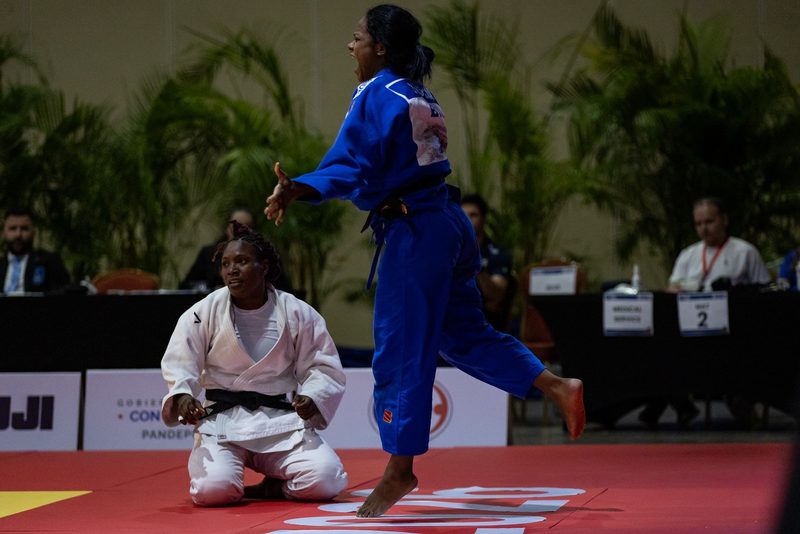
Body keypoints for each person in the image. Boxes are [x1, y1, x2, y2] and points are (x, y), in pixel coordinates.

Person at [264, 4, 585, 518]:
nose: (350, 46)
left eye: (357, 38)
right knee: (462, 335)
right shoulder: (416, 92)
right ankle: (556, 385)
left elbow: (354, 164)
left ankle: (400, 468)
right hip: (447, 223)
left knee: (400, 348)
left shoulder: (375, 92)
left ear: (380, 48)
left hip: (416, 232)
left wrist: (301, 187)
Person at [160, 222, 348, 506]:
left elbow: (321, 366)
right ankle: (233, 481)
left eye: (242, 261)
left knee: (326, 480)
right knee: (213, 491)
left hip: (280, 423)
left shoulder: (297, 312)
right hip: (222, 423)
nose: (231, 270)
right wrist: (184, 396)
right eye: (225, 264)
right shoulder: (202, 312)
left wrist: (312, 396)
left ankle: (274, 488)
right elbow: (180, 362)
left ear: (264, 267)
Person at [666, 197, 771, 293]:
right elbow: (673, 287)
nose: (704, 229)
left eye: (709, 222)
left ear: (724, 220)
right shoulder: (687, 255)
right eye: (698, 224)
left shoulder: (746, 252)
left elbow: (765, 288)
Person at [460, 193, 515, 332]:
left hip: (485, 324)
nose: (467, 219)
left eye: (473, 215)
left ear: (484, 219)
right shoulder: (446, 251)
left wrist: (474, 264)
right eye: (462, 214)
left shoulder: (498, 254)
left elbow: (496, 295)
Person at [1, 207, 70, 294]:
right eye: (13, 228)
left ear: (33, 232)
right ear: (3, 233)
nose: (18, 235)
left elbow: (63, 294)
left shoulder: (49, 262)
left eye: (24, 229)